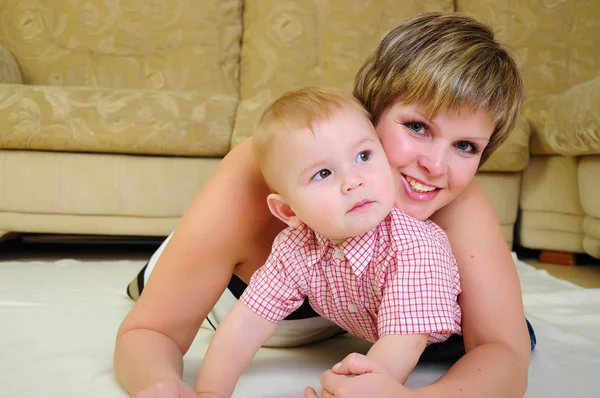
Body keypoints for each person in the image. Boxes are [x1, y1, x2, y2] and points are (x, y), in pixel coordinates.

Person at [115, 12, 535, 398]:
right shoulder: (260, 174)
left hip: (358, 312)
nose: (435, 166)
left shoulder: (447, 199)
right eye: (417, 127)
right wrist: (163, 386)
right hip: (242, 294)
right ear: (369, 112)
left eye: (465, 146)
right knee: (167, 288)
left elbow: (505, 351)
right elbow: (152, 332)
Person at [194, 86, 462, 397]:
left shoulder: (414, 246)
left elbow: (404, 341)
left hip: (450, 342)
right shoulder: (295, 247)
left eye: (363, 156)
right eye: (323, 173)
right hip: (380, 333)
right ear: (288, 210)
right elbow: (245, 324)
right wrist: (210, 392)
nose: (353, 181)